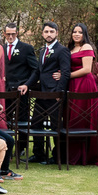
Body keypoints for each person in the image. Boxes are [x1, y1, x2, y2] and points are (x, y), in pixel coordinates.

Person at [65, 22, 98, 167]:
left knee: (84, 117)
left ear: (84, 34)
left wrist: (66, 75)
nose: (76, 34)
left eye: (80, 32)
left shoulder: (87, 47)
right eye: (74, 31)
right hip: (72, 85)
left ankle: (89, 155)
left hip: (84, 84)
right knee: (74, 118)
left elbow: (86, 69)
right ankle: (74, 156)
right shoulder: (70, 49)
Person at [30, 21, 72, 164]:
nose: (49, 34)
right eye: (46, 32)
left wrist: (59, 93)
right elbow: (37, 72)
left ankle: (58, 156)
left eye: (51, 32)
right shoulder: (42, 50)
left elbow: (65, 73)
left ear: (57, 33)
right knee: (35, 123)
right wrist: (26, 85)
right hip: (41, 94)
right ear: (42, 33)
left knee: (56, 126)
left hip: (55, 96)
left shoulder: (62, 50)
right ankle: (39, 154)